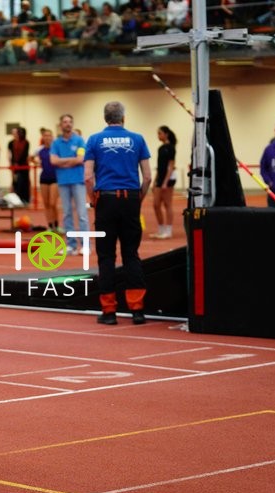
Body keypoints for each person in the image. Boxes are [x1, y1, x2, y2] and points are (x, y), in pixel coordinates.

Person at [84, 101, 152, 325]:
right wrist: (138, 198)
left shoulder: (94, 140)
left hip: (106, 199)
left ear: (106, 118)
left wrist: (94, 199)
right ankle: (137, 310)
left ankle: (109, 311)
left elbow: (87, 177)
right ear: (124, 117)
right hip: (130, 197)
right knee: (131, 254)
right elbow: (148, 176)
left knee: (106, 256)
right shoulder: (138, 139)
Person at [50, 114, 88, 255]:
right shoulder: (56, 143)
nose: (67, 124)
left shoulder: (79, 140)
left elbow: (80, 159)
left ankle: (85, 245)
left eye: (70, 122)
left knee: (82, 214)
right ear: (61, 125)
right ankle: (71, 245)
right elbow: (53, 161)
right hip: (63, 182)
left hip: (78, 181)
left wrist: (63, 161)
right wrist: (71, 160)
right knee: (67, 214)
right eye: (65, 122)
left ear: (72, 124)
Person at [150, 125, 178, 237]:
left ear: (166, 134)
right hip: (160, 178)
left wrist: (166, 182)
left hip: (168, 179)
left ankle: (169, 231)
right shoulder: (160, 148)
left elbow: (171, 166)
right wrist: (155, 181)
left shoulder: (171, 148)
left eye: (160, 133)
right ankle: (161, 229)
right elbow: (159, 166)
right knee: (156, 204)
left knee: (167, 204)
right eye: (158, 133)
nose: (158, 136)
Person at [34, 128, 60, 231]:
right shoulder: (40, 150)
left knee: (53, 203)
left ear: (52, 137)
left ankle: (56, 225)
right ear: (43, 137)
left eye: (49, 135)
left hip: (55, 178)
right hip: (44, 178)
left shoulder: (56, 149)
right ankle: (50, 225)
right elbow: (31, 158)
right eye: (45, 135)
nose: (47, 137)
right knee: (46, 204)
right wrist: (37, 163)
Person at [8, 127, 30, 204]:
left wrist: (19, 163)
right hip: (15, 166)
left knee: (24, 182)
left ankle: (25, 199)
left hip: (23, 165)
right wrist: (12, 163)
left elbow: (25, 154)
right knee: (16, 182)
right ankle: (16, 198)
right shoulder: (11, 143)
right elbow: (10, 154)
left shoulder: (26, 142)